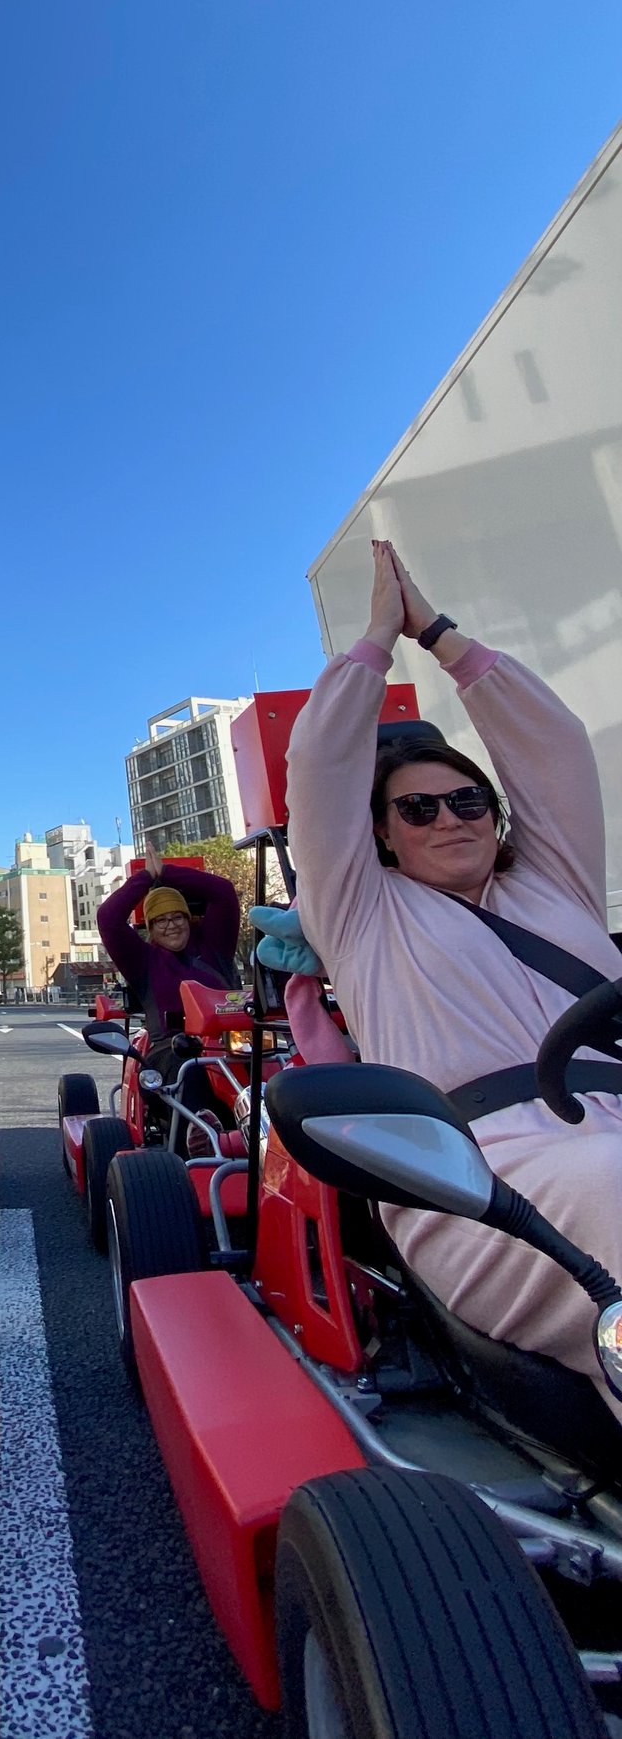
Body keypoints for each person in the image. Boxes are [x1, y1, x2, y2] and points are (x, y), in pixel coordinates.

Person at [287, 537, 622, 1401]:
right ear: (383, 834)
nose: (449, 817)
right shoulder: (362, 909)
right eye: (419, 807)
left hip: (610, 1128)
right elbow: (321, 769)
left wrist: (441, 633)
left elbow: (554, 746)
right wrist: (376, 641)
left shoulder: (556, 885)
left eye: (469, 798)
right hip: (474, 1174)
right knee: (608, 1182)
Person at [95, 847, 242, 1082]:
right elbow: (108, 918)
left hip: (231, 1044)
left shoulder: (215, 946)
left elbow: (223, 892)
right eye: (160, 920)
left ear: (188, 918)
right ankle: (201, 1120)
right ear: (151, 928)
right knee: (191, 1076)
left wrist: (166, 872)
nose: (171, 925)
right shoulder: (143, 961)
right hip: (171, 1049)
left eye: (177, 916)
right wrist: (145, 878)